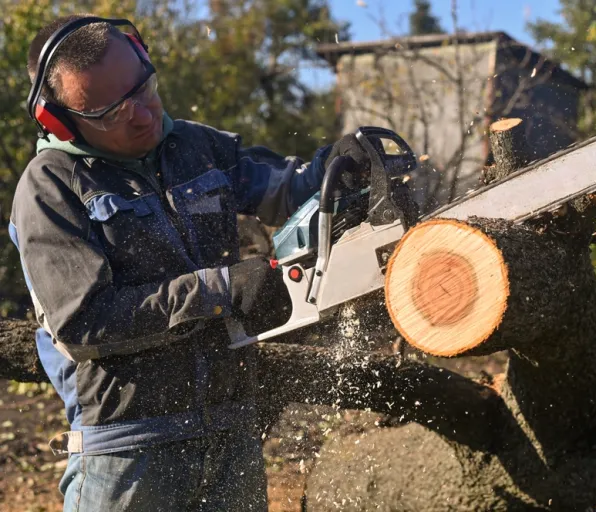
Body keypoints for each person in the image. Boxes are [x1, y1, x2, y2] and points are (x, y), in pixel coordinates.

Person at [10, 13, 380, 511]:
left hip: (231, 428)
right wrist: (220, 291)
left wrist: (337, 167)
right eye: (109, 113)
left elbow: (286, 191)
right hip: (129, 448)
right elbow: (84, 322)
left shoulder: (196, 146)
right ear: (62, 120)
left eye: (143, 90)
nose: (141, 115)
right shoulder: (51, 186)